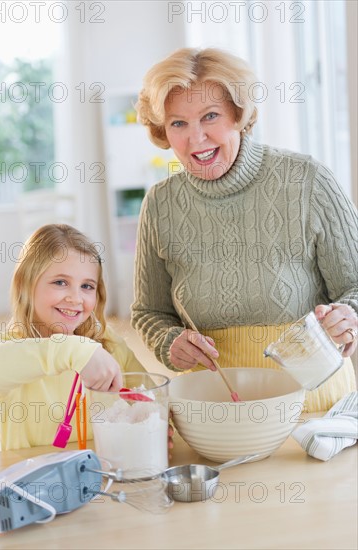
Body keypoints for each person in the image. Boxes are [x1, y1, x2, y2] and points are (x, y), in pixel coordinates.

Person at [131, 47, 358, 412]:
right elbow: (149, 312)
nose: (196, 138)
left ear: (239, 115)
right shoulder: (160, 204)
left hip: (314, 406)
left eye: (210, 116)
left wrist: (349, 316)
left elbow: (355, 285)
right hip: (214, 407)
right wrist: (169, 341)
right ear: (162, 130)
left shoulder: (307, 181)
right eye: (178, 123)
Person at [0, 224, 146, 450]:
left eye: (87, 286)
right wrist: (74, 350)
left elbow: (149, 395)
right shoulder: (13, 349)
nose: (75, 298)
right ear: (25, 284)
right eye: (60, 282)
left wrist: (160, 422)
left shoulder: (108, 344)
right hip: (36, 482)